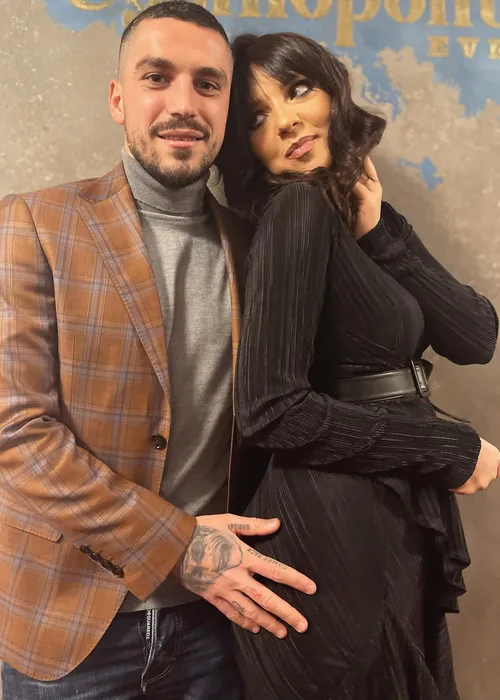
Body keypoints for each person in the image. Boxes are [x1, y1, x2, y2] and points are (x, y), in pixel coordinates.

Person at [0, 7, 316, 699]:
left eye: (208, 84)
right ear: (119, 98)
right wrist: (180, 546)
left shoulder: (260, 247)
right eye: (157, 77)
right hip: (67, 630)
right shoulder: (38, 221)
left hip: (223, 626)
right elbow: (11, 433)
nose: (184, 103)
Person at [217, 32, 500, 700]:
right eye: (256, 118)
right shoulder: (295, 210)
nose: (287, 121)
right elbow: (269, 409)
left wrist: (381, 233)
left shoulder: (343, 214)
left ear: (331, 91)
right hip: (332, 528)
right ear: (245, 148)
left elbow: (475, 336)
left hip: (374, 510)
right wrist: (444, 446)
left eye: (297, 90)